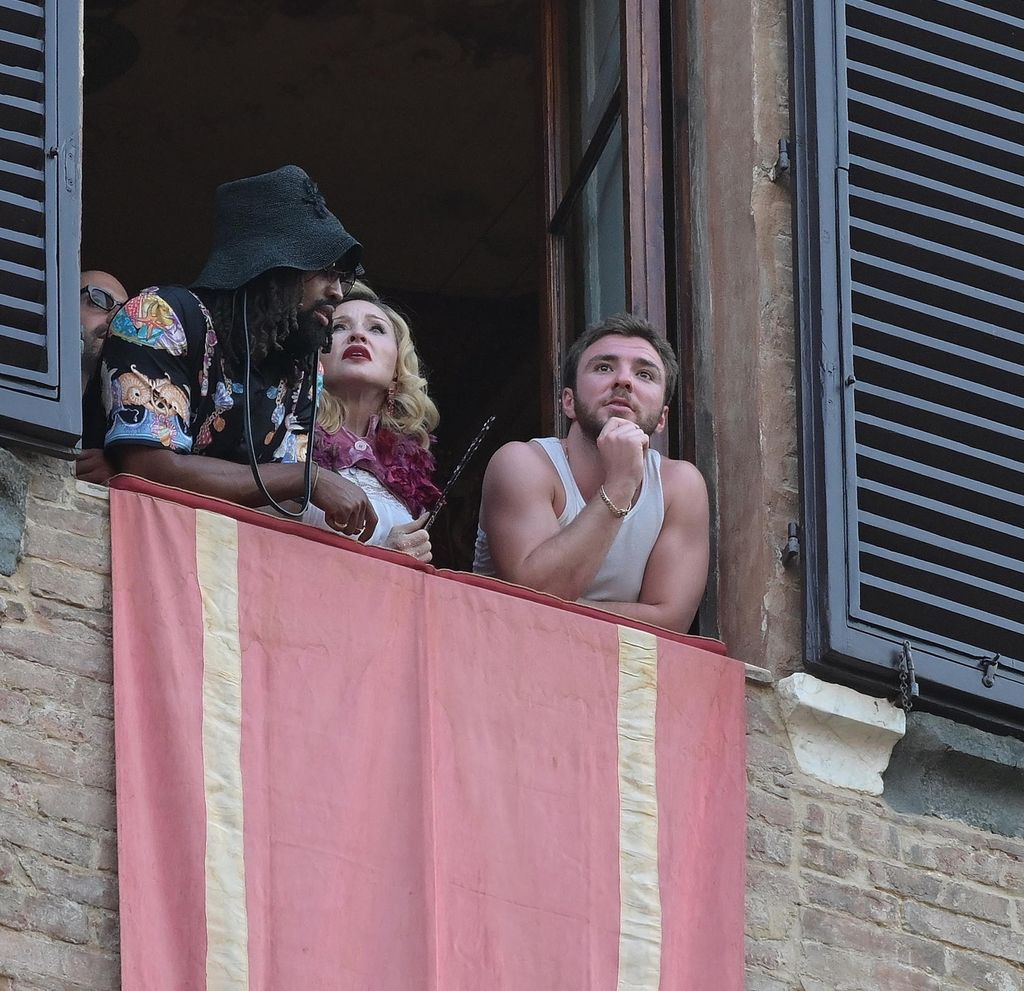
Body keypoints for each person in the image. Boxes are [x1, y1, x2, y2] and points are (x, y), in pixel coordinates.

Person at [100, 165, 379, 538]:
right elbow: (148, 469)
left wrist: (294, 483)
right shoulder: (158, 317)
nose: (337, 292)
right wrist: (305, 478)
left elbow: (287, 507)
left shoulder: (304, 370)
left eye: (343, 277)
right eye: (325, 270)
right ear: (269, 267)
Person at [473, 314, 709, 633]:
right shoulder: (522, 463)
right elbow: (537, 599)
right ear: (568, 402)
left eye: (644, 374)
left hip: (618, 664)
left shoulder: (680, 486)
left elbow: (671, 622)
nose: (623, 381)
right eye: (604, 367)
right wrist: (620, 485)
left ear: (662, 419)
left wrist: (569, 607)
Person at [305, 283, 439, 561]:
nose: (357, 335)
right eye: (339, 327)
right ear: (315, 354)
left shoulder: (408, 469)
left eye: (376, 329)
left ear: (397, 370)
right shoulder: (286, 433)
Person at [77, 271, 128, 484]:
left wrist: (119, 471)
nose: (114, 319)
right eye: (99, 299)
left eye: (124, 313)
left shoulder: (122, 415)